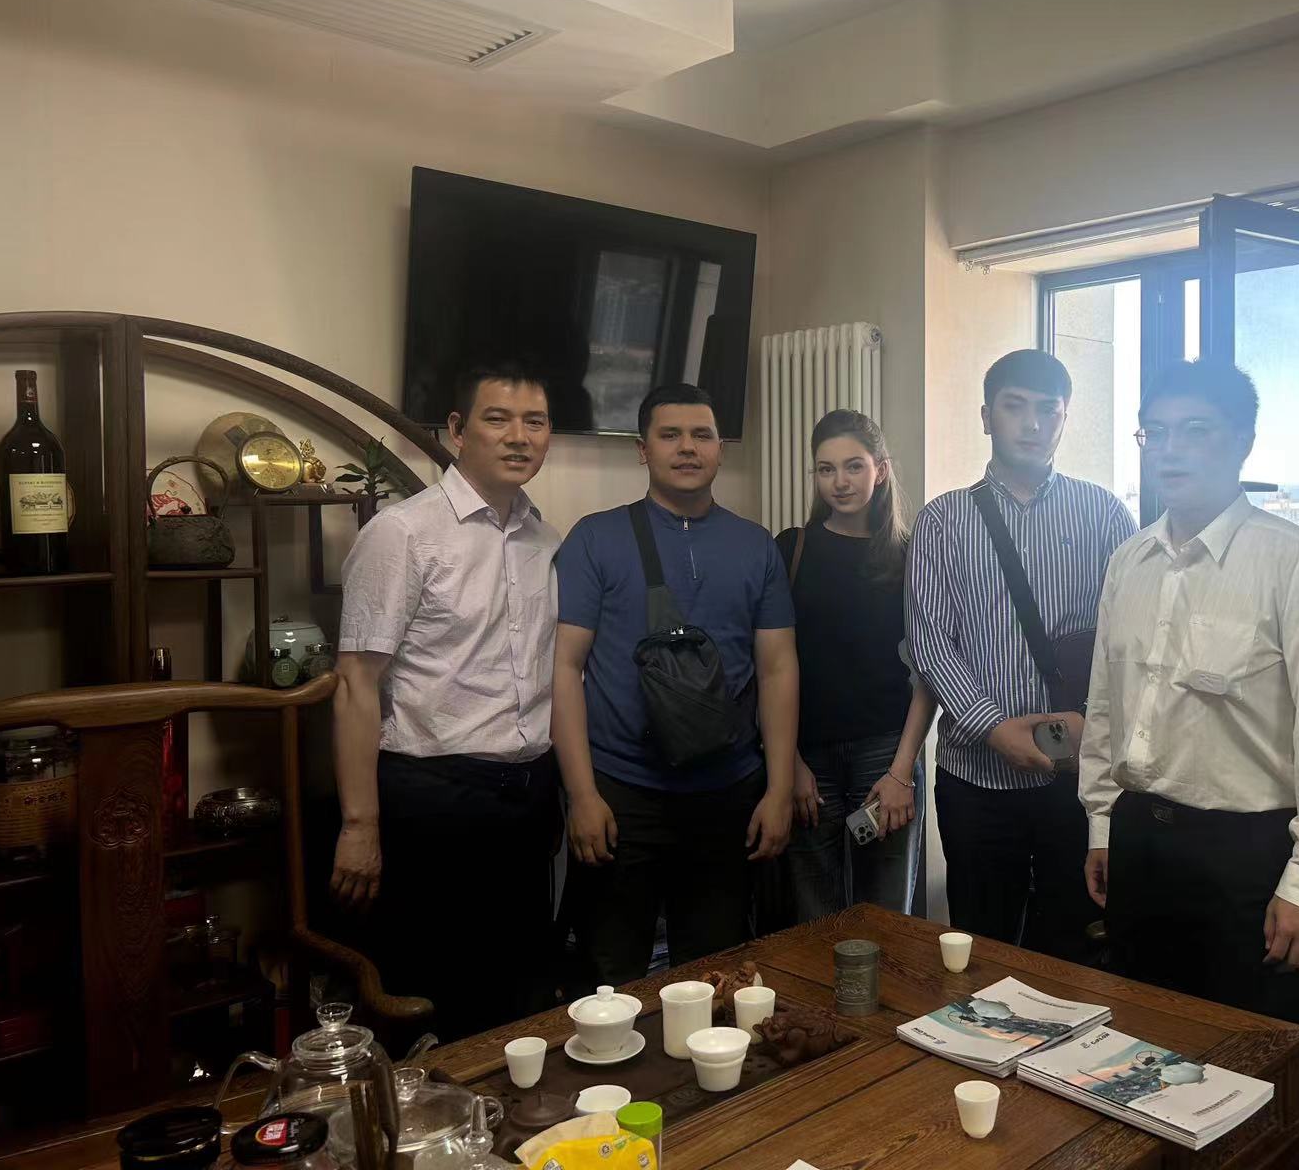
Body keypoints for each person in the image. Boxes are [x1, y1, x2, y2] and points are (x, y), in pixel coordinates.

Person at [1080, 359, 1299, 1056]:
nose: (1170, 449)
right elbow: (1105, 707)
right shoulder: (1128, 561)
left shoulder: (1297, 564)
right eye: (1154, 432)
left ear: (1241, 441)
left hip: (1246, 855)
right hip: (1141, 840)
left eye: (1195, 430)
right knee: (1143, 1046)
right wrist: (1101, 822)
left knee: (1257, 1055)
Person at [330, 362, 562, 1040]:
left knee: (519, 991)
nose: (519, 437)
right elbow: (355, 682)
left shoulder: (544, 539)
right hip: (434, 797)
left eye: (535, 422)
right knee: (435, 993)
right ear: (457, 430)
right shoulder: (404, 534)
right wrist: (359, 824)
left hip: (528, 795)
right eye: (498, 419)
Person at [555, 384, 797, 984]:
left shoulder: (755, 545)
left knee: (713, 976)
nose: (687, 448)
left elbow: (777, 669)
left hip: (727, 794)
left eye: (702, 435)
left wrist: (779, 789)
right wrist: (582, 796)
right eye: (670, 435)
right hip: (621, 794)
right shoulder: (595, 538)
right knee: (610, 978)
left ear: (720, 449)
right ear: (643, 450)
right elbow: (565, 667)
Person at [906, 349, 1136, 961]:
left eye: (1048, 410)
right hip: (976, 778)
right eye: (1015, 407)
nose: (1032, 424)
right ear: (987, 416)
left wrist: (1093, 721)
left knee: (1073, 945)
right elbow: (930, 640)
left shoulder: (1105, 515)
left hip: (1076, 777)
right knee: (982, 940)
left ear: (1064, 419)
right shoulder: (943, 520)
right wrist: (992, 727)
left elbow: (1132, 639)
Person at [774, 410, 937, 921]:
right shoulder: (791, 548)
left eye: (853, 466)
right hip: (808, 756)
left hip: (885, 753)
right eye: (826, 469)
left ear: (880, 470)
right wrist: (788, 763)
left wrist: (902, 773)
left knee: (884, 921)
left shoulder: (910, 556)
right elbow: (770, 665)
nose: (839, 482)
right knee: (812, 921)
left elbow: (930, 668)